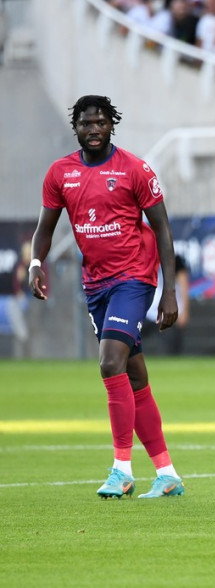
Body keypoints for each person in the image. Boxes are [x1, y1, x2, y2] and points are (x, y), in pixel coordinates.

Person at [27, 95, 184, 499]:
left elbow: (162, 228)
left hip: (134, 277)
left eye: (100, 122)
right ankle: (167, 474)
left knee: (109, 363)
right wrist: (35, 263)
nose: (93, 129)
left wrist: (169, 290)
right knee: (135, 376)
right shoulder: (61, 173)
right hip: (96, 285)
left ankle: (121, 469)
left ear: (112, 125)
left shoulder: (135, 169)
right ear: (75, 127)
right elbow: (46, 226)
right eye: (85, 123)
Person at [146, 253, 190, 355]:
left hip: (167, 307)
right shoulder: (143, 254)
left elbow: (183, 281)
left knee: (171, 348)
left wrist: (184, 310)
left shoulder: (173, 257)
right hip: (147, 308)